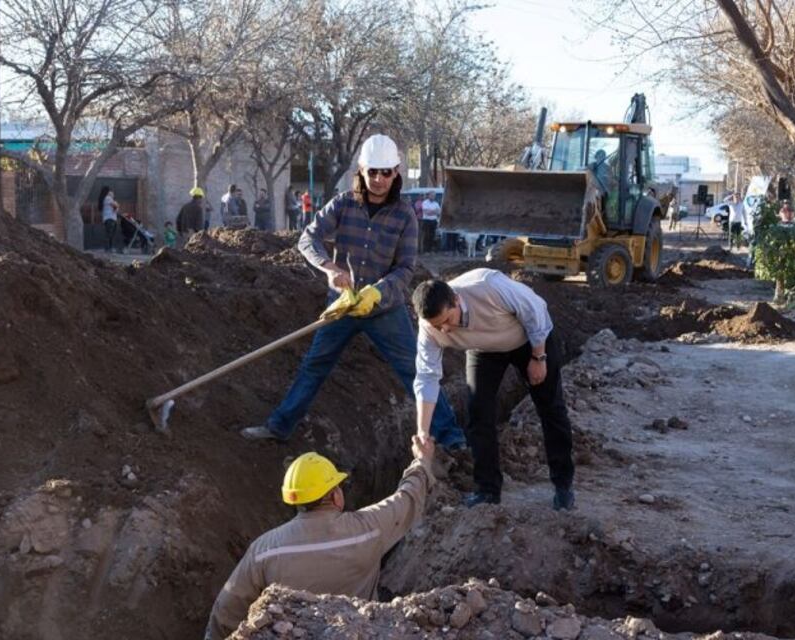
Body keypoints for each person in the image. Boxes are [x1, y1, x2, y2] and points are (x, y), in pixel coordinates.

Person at [241, 134, 465, 449]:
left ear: (396, 172)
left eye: (386, 172)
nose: (378, 179)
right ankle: (279, 427)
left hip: (384, 310)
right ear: (360, 170)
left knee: (416, 370)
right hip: (343, 306)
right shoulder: (343, 203)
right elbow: (308, 239)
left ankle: (452, 439)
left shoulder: (404, 215)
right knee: (314, 365)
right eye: (372, 171)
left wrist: (378, 291)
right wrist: (330, 270)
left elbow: (405, 269)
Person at [205, 436, 435, 639]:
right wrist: (422, 461)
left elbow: (227, 611)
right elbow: (407, 497)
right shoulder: (369, 529)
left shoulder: (264, 550)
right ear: (336, 497)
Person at [412, 268, 575, 510]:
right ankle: (487, 491)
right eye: (437, 325)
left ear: (456, 300)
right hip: (485, 349)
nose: (445, 330)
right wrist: (423, 432)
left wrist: (538, 357)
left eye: (447, 320)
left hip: (528, 339)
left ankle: (563, 487)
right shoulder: (430, 327)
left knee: (550, 408)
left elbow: (535, 310)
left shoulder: (487, 286)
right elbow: (427, 377)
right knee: (478, 414)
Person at [98, 186, 119, 253]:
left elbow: (115, 208)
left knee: (110, 234)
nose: (112, 192)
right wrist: (116, 204)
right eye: (111, 191)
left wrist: (116, 206)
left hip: (108, 218)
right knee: (109, 235)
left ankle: (109, 248)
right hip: (110, 218)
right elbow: (116, 206)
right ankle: (108, 248)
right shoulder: (108, 198)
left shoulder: (106, 199)